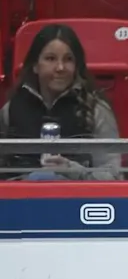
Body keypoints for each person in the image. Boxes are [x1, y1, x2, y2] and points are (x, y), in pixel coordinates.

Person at [1, 24, 121, 181]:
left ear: (77, 66)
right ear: (35, 66)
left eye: (68, 59)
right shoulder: (10, 110)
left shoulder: (95, 110)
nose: (60, 67)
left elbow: (113, 176)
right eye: (50, 59)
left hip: (78, 201)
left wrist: (72, 171)